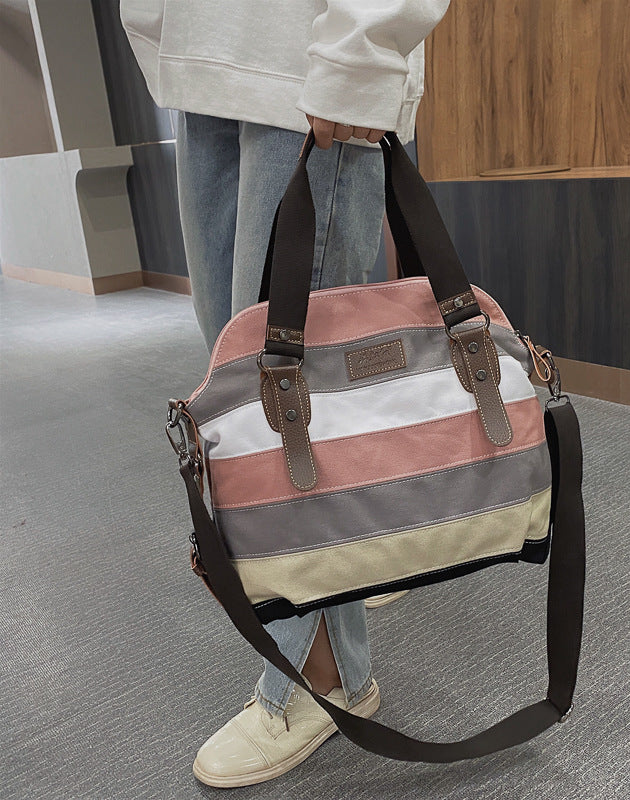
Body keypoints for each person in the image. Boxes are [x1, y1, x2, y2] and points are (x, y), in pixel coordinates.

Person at [120, 0, 450, 787]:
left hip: (307, 70)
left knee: (292, 408)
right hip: (206, 68)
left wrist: (361, 47)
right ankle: (349, 594)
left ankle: (325, 678)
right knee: (245, 396)